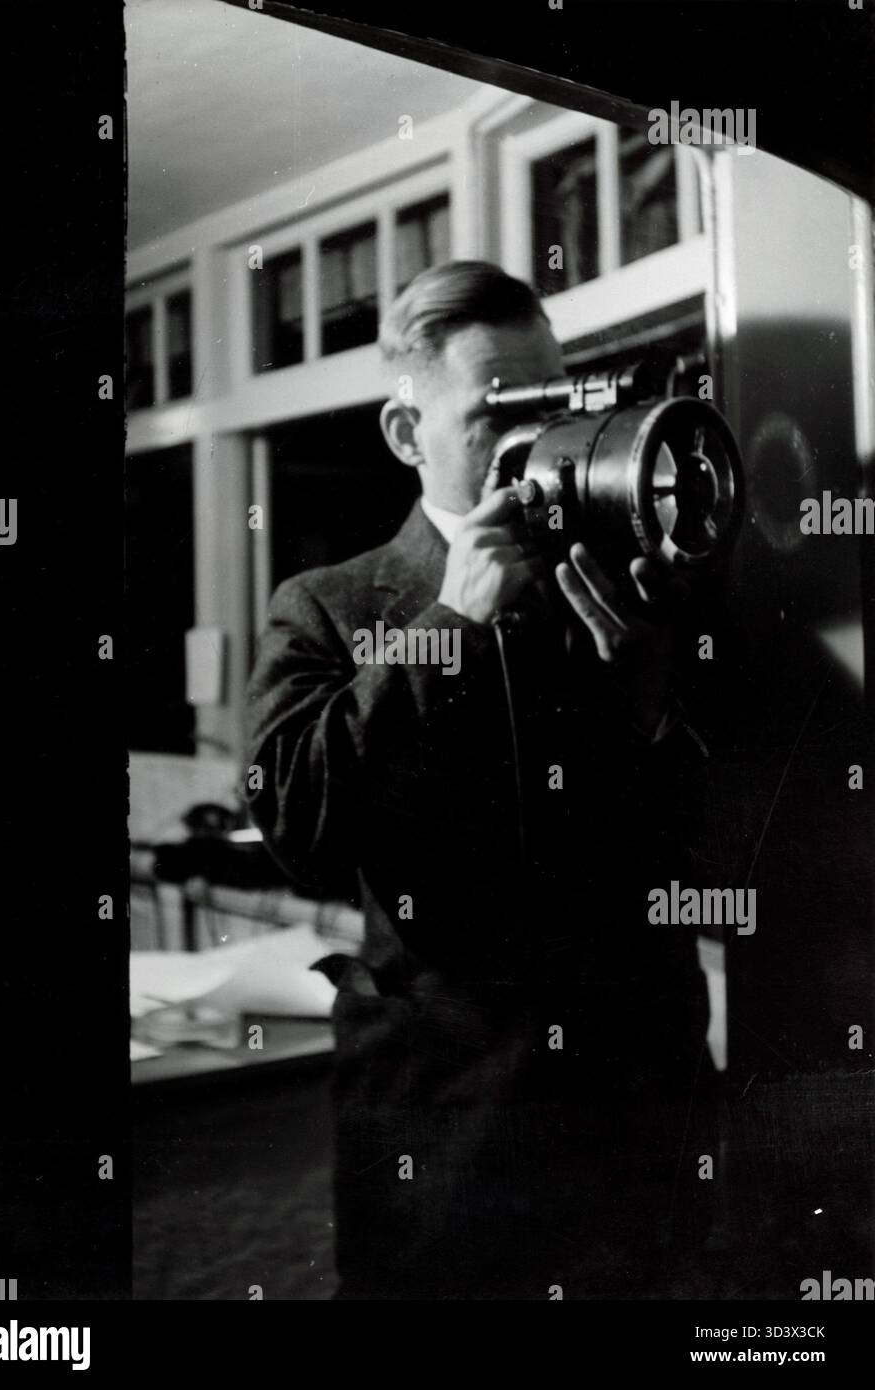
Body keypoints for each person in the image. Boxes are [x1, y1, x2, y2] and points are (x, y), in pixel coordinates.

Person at [245, 261, 716, 1300]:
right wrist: (445, 630)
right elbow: (298, 827)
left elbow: (726, 846)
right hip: (446, 1136)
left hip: (642, 1116)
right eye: (496, 409)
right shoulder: (329, 604)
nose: (529, 437)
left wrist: (653, 712)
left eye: (548, 400)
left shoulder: (626, 574)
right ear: (407, 434)